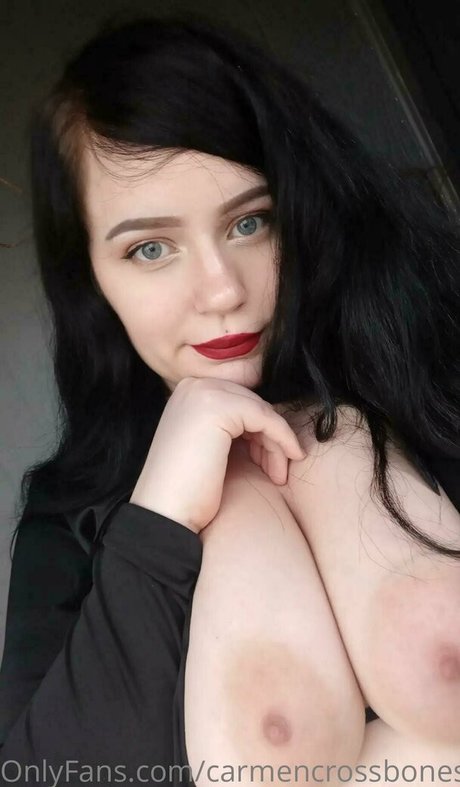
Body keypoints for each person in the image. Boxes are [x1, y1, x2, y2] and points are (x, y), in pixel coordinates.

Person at [0, 11, 459, 786]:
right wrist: (158, 521)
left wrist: (341, 438)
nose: (221, 290)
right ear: (91, 281)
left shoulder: (429, 362)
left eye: (250, 222)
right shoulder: (70, 513)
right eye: (151, 248)